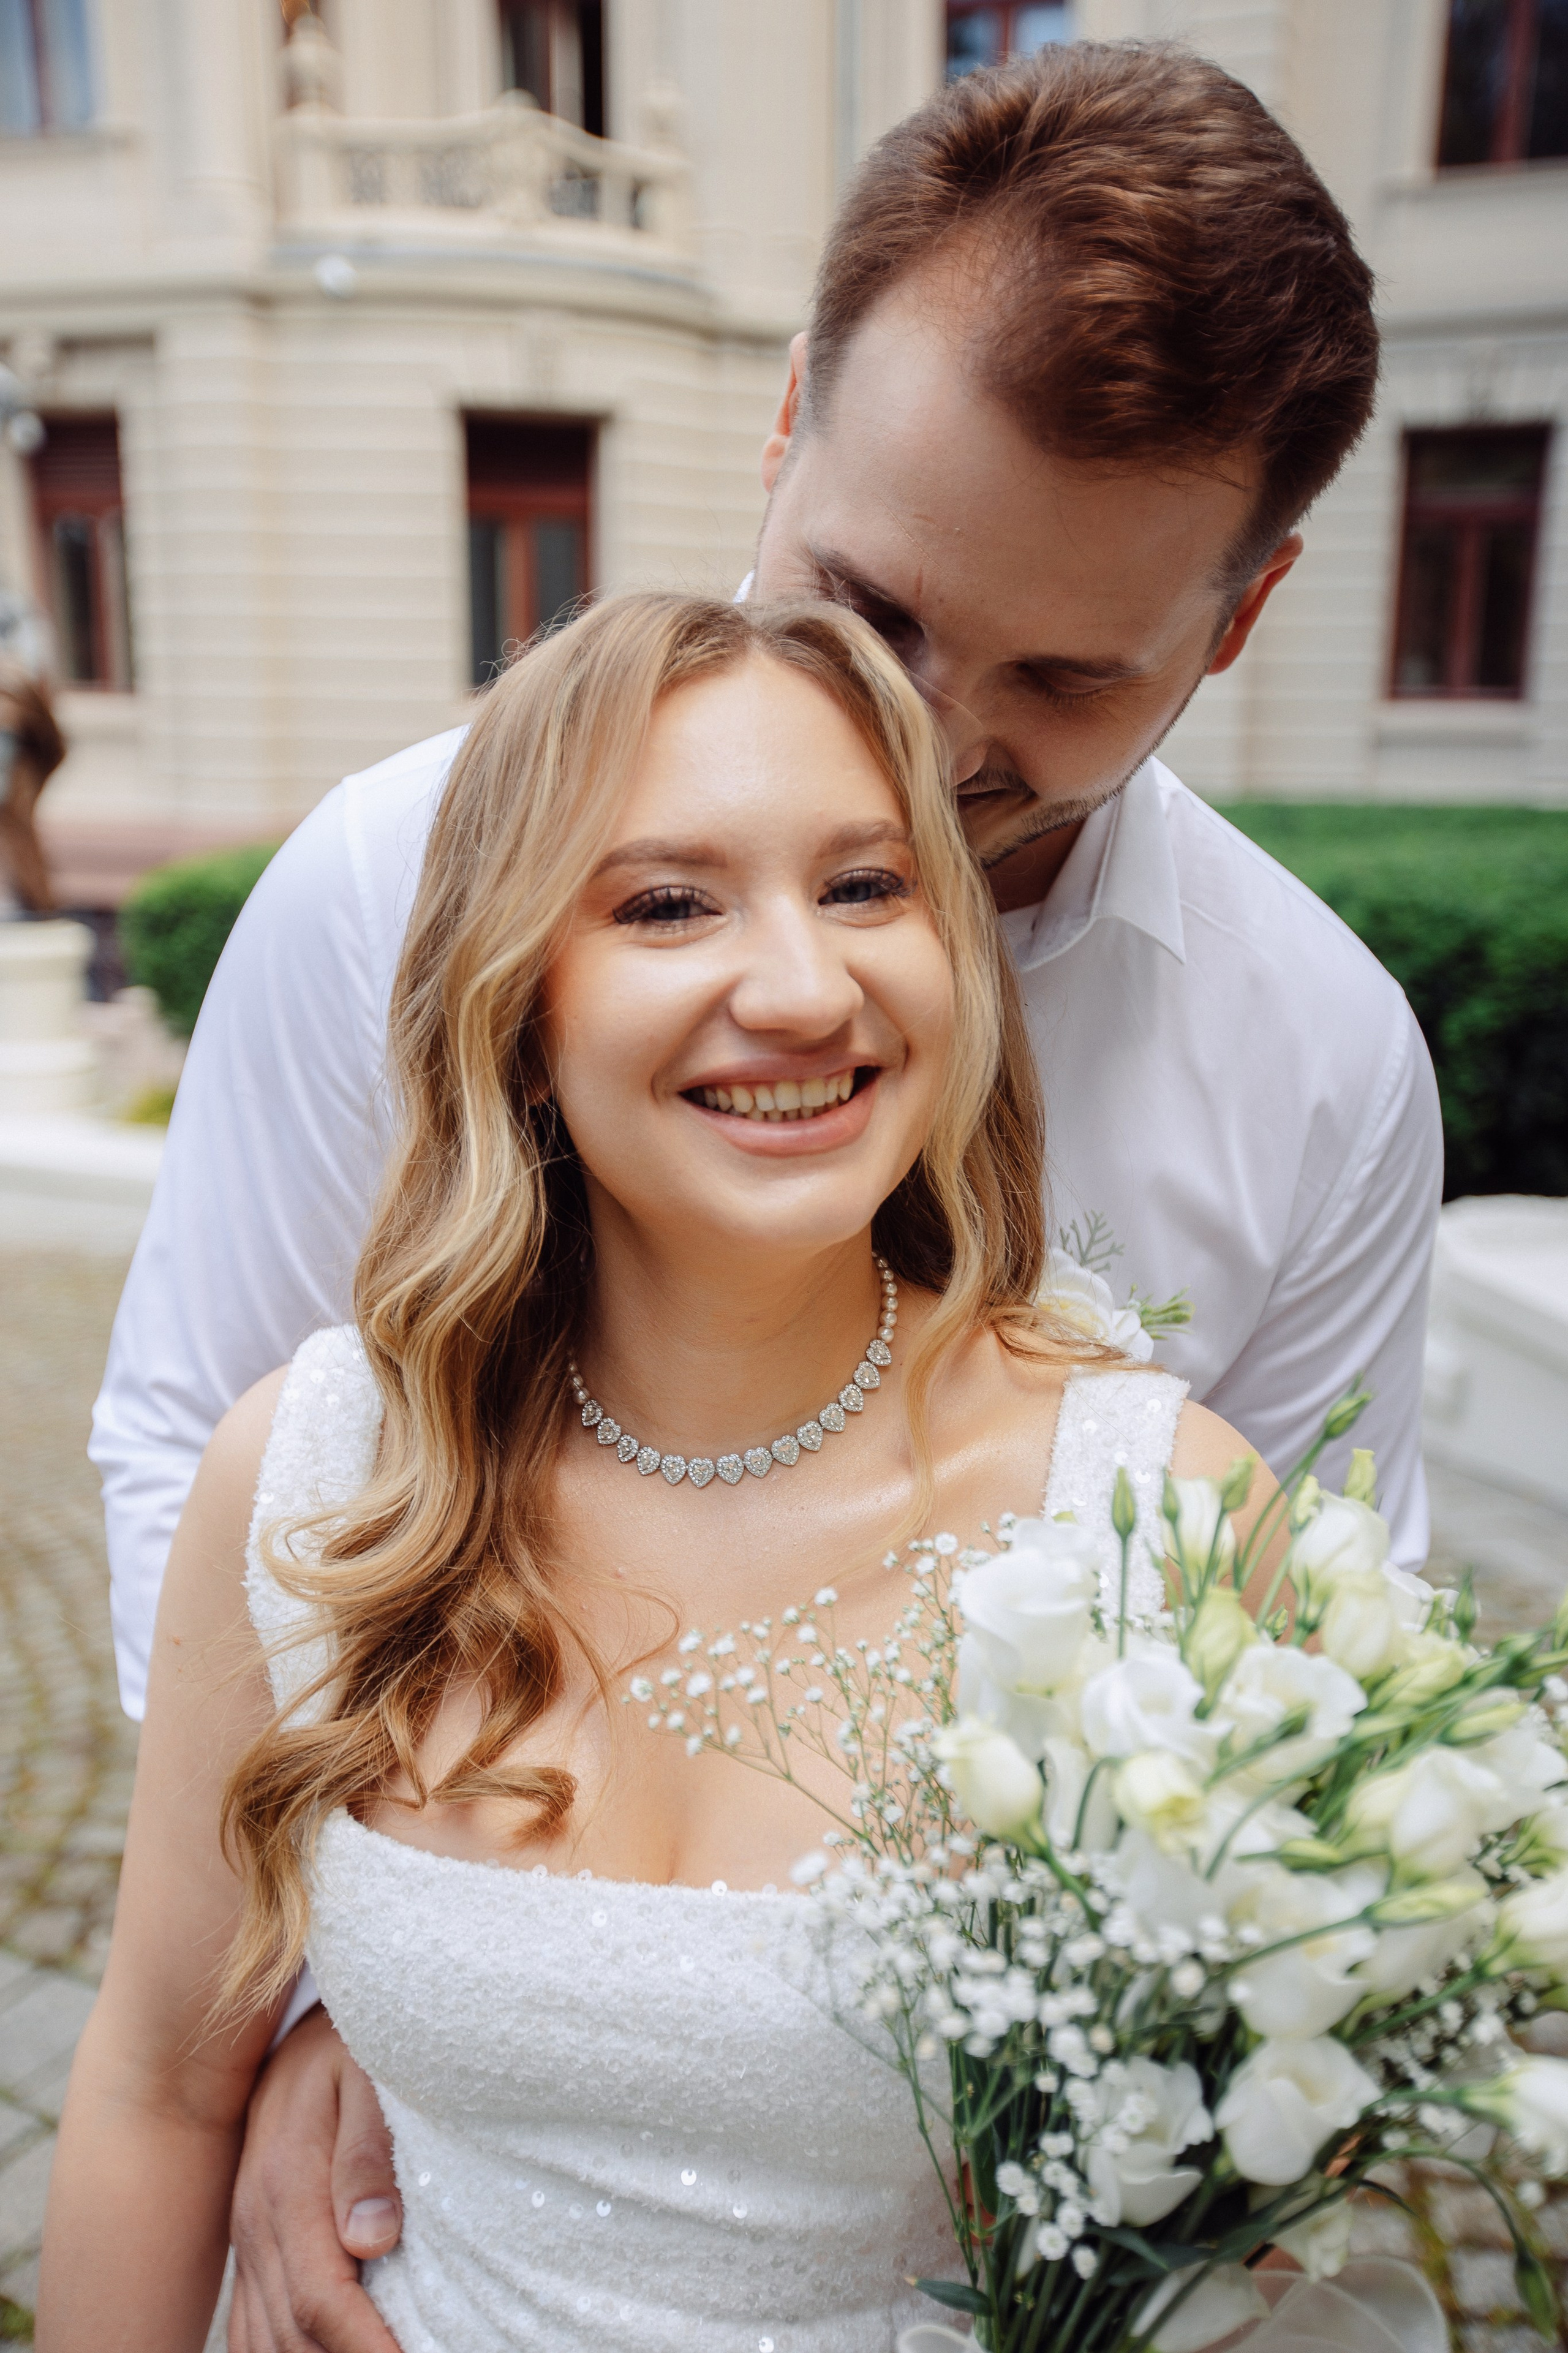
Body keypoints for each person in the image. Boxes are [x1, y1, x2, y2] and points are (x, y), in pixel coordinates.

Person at [85, 40, 1441, 2348]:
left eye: (1062, 677)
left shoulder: (1311, 1069)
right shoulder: (382, 885)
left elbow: (1310, 1767)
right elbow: (203, 1448)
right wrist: (334, 1974)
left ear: (1232, 621)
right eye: (874, 604)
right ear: (785, 416)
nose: (913, 745)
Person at [42, 593, 1281, 2353]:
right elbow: (158, 2093)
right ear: (517, 996)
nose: (800, 985)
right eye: (668, 904)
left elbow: (1256, 2234)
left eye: (867, 887)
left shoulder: (1165, 1521)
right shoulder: (321, 1481)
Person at [0, 668, 66, 913]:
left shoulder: (12, 685)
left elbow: (51, 745)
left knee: (21, 841)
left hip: (18, 780)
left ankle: (38, 903)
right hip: (15, 780)